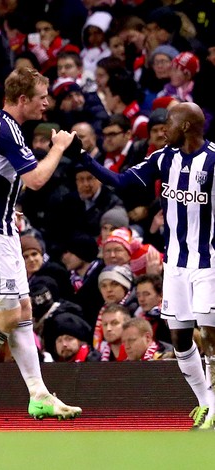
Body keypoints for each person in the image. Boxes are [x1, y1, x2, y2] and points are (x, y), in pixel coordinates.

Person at [0, 67, 82, 431]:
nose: (47, 103)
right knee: (7, 316)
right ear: (22, 99)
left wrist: (5, 202)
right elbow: (37, 179)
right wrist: (57, 148)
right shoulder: (7, 129)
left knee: (22, 308)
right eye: (42, 96)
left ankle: (39, 395)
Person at [74, 102, 215, 429]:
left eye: (170, 122)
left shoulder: (213, 159)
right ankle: (205, 403)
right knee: (180, 338)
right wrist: (84, 159)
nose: (164, 129)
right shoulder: (164, 157)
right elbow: (122, 182)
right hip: (176, 264)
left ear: (187, 127)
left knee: (209, 332)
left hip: (208, 262)